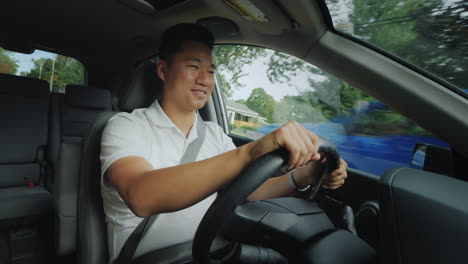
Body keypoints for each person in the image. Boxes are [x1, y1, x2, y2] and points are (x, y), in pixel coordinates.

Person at [100, 23, 348, 262]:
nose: (205, 80)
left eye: (210, 71)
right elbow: (141, 196)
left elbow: (250, 189)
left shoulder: (214, 134)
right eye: (194, 67)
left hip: (207, 253)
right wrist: (247, 154)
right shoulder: (125, 126)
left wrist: (306, 174)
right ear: (163, 70)